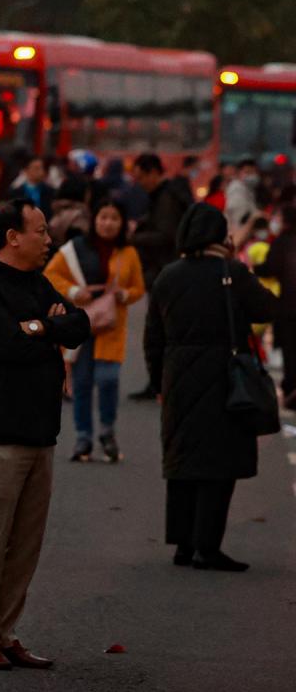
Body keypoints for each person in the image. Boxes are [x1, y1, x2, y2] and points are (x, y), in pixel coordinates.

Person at [0, 199, 90, 670]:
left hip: (40, 432)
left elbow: (79, 326)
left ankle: (5, 631)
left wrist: (42, 327)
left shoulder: (38, 283)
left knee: (26, 544)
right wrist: (44, 332)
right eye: (39, 231)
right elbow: (5, 345)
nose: (47, 239)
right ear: (12, 237)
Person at [145, 204, 278, 572]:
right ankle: (208, 546)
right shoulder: (231, 273)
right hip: (223, 376)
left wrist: (159, 381)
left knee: (184, 460)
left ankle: (183, 545)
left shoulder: (167, 276)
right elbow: (268, 308)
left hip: (177, 375)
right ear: (221, 236)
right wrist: (236, 263)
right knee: (219, 463)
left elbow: (152, 337)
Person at [45, 194, 145, 462]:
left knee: (108, 379)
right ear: (94, 220)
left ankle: (107, 430)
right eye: (103, 217)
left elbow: (139, 287)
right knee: (82, 383)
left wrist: (126, 295)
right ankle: (83, 438)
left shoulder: (129, 252)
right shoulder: (75, 248)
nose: (108, 223)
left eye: (114, 218)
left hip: (111, 328)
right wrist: (75, 291)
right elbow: (51, 275)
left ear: (122, 222)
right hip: (80, 326)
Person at [128, 153, 193, 399]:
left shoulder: (166, 198)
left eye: (141, 177)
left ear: (154, 172)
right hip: (166, 272)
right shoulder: (163, 196)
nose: (139, 182)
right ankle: (161, 381)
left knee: (160, 332)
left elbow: (166, 235)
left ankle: (161, 382)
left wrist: (134, 238)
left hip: (165, 273)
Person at [254, 204, 296, 406]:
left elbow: (270, 268)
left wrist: (254, 267)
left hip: (289, 307)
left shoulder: (281, 242)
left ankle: (292, 391)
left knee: (291, 351)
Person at [225, 158, 261, 234]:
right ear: (238, 173)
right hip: (239, 233)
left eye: (254, 172)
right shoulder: (237, 190)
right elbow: (240, 218)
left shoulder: (247, 189)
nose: (252, 175)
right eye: (248, 172)